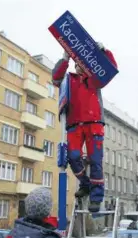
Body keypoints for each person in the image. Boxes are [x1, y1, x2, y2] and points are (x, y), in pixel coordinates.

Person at [52, 42, 117, 212]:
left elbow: (111, 69)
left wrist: (104, 50)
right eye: (77, 63)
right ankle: (85, 184)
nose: (80, 66)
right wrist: (65, 58)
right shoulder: (69, 80)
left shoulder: (95, 79)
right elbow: (55, 78)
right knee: (73, 156)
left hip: (94, 123)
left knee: (96, 161)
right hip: (74, 124)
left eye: (82, 63)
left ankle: (96, 198)